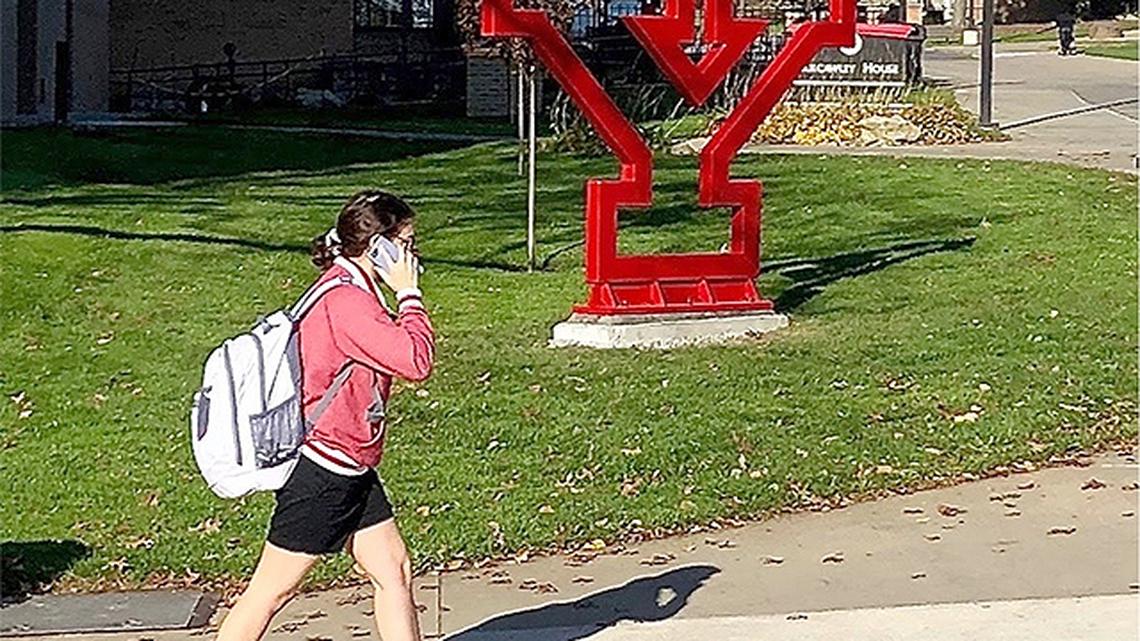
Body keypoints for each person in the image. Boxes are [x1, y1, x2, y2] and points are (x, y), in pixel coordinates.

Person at [215, 190, 435, 641]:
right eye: (407, 244)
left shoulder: (346, 284)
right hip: (325, 470)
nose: (412, 256)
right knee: (270, 592)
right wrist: (409, 294)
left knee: (393, 567)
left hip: (349, 463)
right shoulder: (347, 302)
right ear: (380, 248)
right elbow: (415, 360)